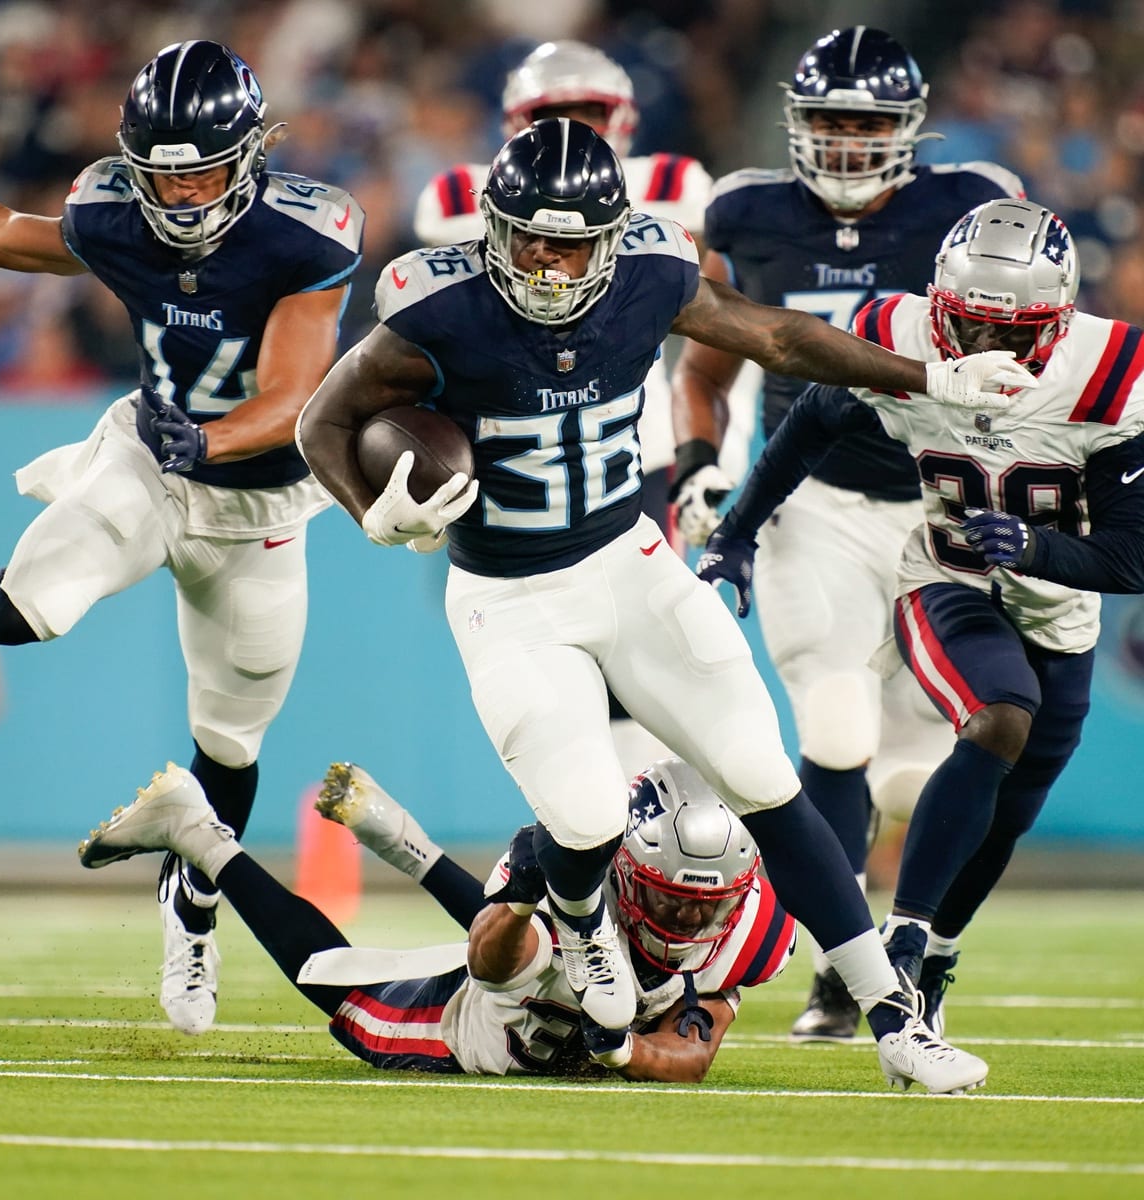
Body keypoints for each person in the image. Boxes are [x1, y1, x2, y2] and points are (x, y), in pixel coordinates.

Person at [296, 117, 1034, 1092]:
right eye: (530, 238)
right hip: (512, 596)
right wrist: (370, 513)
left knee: (761, 774)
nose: (551, 264)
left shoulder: (652, 276)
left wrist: (933, 376)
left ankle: (897, 1022)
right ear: (493, 228)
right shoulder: (439, 312)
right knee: (588, 812)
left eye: (572, 242)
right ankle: (582, 928)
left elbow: (778, 333)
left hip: (630, 563)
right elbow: (322, 421)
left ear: (613, 236)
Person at [0, 40, 364, 1034]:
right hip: (148, 455)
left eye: (202, 171)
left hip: (255, 503)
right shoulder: (112, 212)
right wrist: (180, 440)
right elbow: (2, 230)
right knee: (40, 599)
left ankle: (192, 922)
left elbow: (297, 395)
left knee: (231, 739)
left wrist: (210, 438)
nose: (179, 194)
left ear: (251, 155)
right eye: (161, 172)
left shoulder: (308, 234)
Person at [697, 197, 1144, 1034]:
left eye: (1013, 332)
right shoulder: (898, 338)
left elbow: (1133, 556)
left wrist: (1036, 550)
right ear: (938, 303)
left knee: (1011, 810)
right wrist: (737, 531)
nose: (986, 350)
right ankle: (893, 939)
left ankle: (935, 953)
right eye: (969, 325)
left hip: (1060, 607)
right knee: (997, 718)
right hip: (945, 575)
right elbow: (809, 425)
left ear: (1060, 320)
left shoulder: (1114, 371)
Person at [668, 26, 1026, 1043]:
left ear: (907, 129)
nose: (846, 139)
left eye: (866, 121)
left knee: (923, 769)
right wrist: (700, 465)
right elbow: (707, 366)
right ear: (796, 121)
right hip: (807, 500)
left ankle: (899, 939)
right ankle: (845, 968)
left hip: (939, 509)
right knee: (833, 724)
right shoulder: (746, 211)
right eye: (828, 118)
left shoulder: (969, 202)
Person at [79, 756, 795, 1081]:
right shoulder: (583, 868)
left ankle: (398, 836)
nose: (682, 918)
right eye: (669, 896)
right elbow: (493, 961)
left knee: (544, 950)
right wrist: (521, 897)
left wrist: (624, 1053)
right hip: (486, 1024)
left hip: (558, 1005)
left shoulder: (748, 928)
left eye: (704, 904)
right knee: (338, 985)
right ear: (624, 870)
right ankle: (195, 830)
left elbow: (695, 1054)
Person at [413, 38, 721, 778]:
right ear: (516, 120)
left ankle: (649, 834)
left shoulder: (676, 183)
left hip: (628, 448)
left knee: (652, 661)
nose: (575, 128)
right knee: (546, 675)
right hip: (509, 457)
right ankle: (585, 834)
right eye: (555, 113)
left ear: (624, 117)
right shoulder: (465, 196)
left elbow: (711, 312)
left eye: (590, 111)